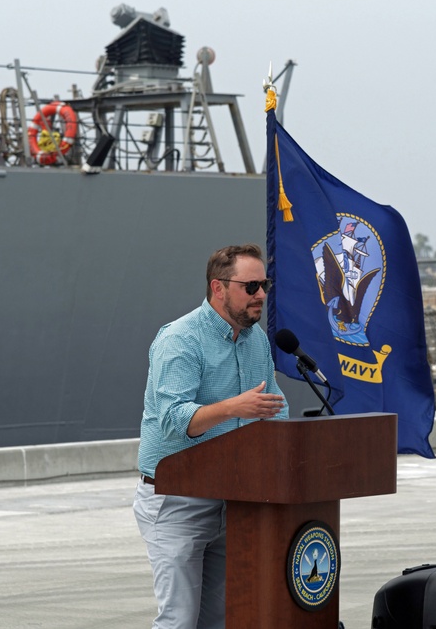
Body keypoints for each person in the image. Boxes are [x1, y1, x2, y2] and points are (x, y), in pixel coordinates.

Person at [133, 244, 288, 629]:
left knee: (220, 619)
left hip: (233, 498)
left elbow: (275, 407)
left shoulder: (257, 341)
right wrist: (235, 407)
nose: (262, 296)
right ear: (218, 288)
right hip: (177, 500)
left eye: (264, 285)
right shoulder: (180, 340)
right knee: (179, 621)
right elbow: (173, 420)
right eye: (251, 286)